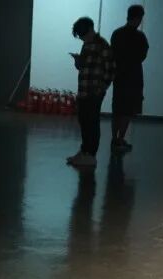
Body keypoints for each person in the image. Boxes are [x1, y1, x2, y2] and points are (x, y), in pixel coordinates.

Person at [67, 17, 114, 168]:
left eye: (82, 35)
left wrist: (102, 88)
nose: (82, 38)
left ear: (90, 30)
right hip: (84, 90)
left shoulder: (102, 46)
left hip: (94, 92)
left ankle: (91, 155)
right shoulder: (87, 45)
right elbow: (83, 67)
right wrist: (78, 61)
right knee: (84, 121)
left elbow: (111, 69)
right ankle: (84, 151)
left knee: (92, 123)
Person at [110, 5, 148, 153]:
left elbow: (113, 54)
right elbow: (142, 56)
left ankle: (114, 139)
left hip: (119, 76)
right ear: (138, 18)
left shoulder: (117, 34)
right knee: (128, 110)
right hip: (134, 76)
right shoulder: (140, 37)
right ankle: (120, 139)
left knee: (117, 108)